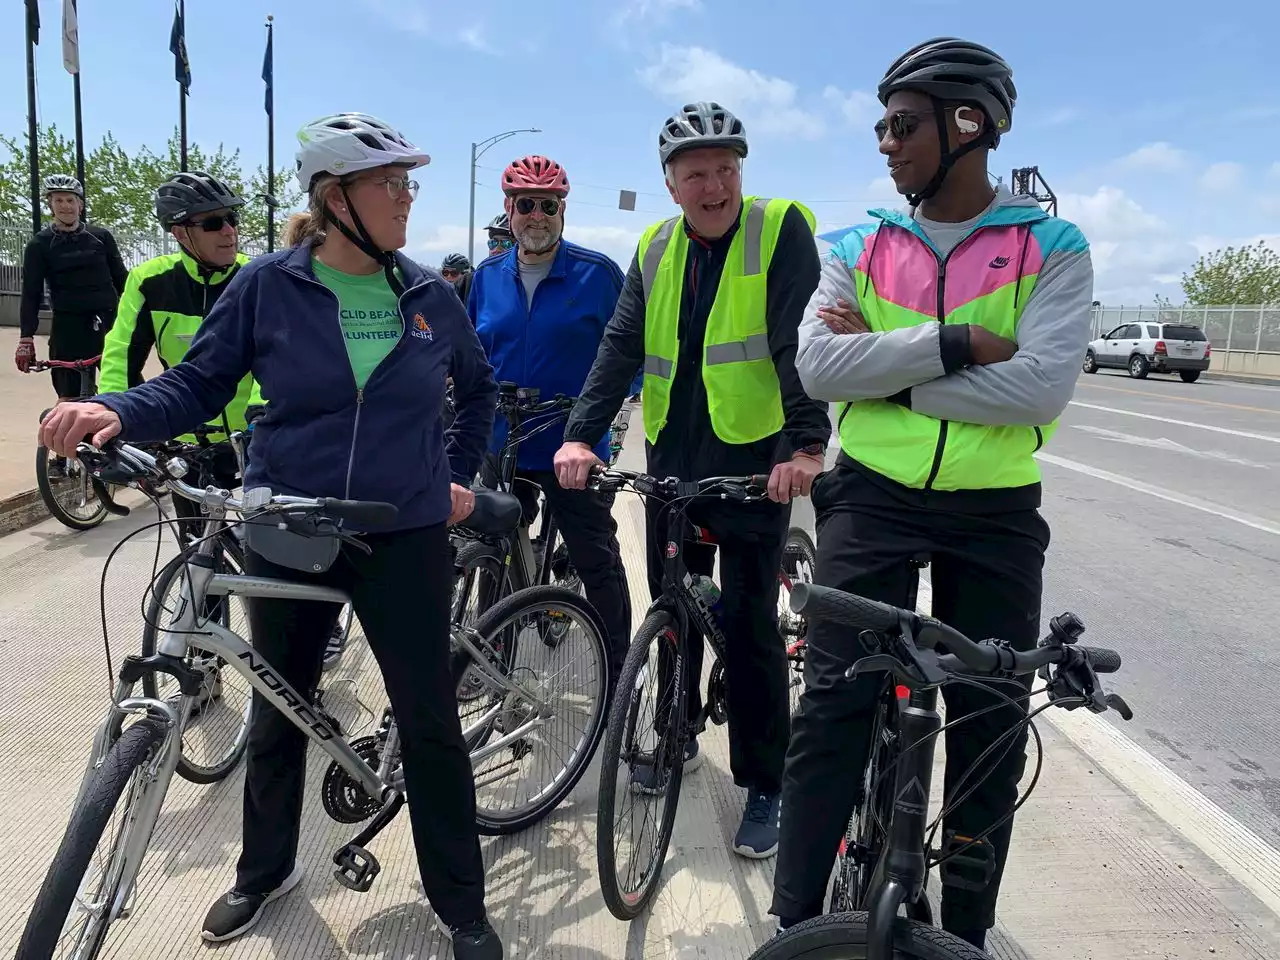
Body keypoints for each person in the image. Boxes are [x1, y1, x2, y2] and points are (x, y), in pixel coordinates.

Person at [39, 112, 504, 959]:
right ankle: (265, 871)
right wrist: (116, 408)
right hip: (285, 523)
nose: (407, 197)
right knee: (280, 705)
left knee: (427, 718)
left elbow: (478, 393)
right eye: (390, 183)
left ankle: (459, 903)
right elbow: (199, 380)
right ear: (336, 198)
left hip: (402, 533)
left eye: (408, 182)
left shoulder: (432, 295)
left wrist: (454, 479)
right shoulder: (267, 285)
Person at [770, 39, 1094, 950]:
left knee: (989, 724)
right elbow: (821, 364)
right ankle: (799, 922)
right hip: (870, 495)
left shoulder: (1051, 246)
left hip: (992, 510)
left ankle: (969, 931)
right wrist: (955, 343)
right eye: (881, 124)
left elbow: (1038, 390)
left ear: (969, 125)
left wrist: (893, 363)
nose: (885, 141)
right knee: (832, 700)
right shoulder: (859, 239)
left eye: (902, 124)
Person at [553, 102, 829, 859]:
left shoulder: (778, 230)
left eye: (727, 170)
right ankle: (672, 733)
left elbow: (793, 340)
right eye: (697, 174)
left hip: (754, 463)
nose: (716, 186)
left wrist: (806, 446)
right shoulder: (654, 244)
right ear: (670, 185)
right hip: (675, 458)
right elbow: (619, 348)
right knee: (672, 603)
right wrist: (582, 433)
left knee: (747, 627)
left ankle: (764, 782)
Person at [468, 154, 633, 676]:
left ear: (563, 210)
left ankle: (618, 667)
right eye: (525, 205)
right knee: (493, 551)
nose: (536, 215)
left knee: (595, 556)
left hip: (571, 445)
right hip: (503, 440)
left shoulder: (599, 274)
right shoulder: (486, 277)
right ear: (508, 211)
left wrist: (603, 407)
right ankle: (495, 653)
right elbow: (468, 353)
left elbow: (633, 351)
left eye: (548, 204)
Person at [99, 171, 254, 531]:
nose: (230, 230)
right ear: (180, 232)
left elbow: (280, 357)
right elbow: (121, 352)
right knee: (197, 551)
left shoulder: (256, 276)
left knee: (268, 555)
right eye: (215, 223)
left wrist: (260, 416)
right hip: (189, 442)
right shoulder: (149, 281)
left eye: (233, 218)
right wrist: (108, 414)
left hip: (254, 439)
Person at [15, 174, 127, 398]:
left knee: (125, 391)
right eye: (58, 200)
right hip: (68, 326)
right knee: (68, 398)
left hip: (108, 322)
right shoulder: (39, 244)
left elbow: (122, 280)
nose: (65, 206)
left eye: (70, 200)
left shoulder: (101, 237)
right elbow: (31, 293)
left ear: (80, 205)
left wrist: (140, 319)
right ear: (50, 205)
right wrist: (26, 338)